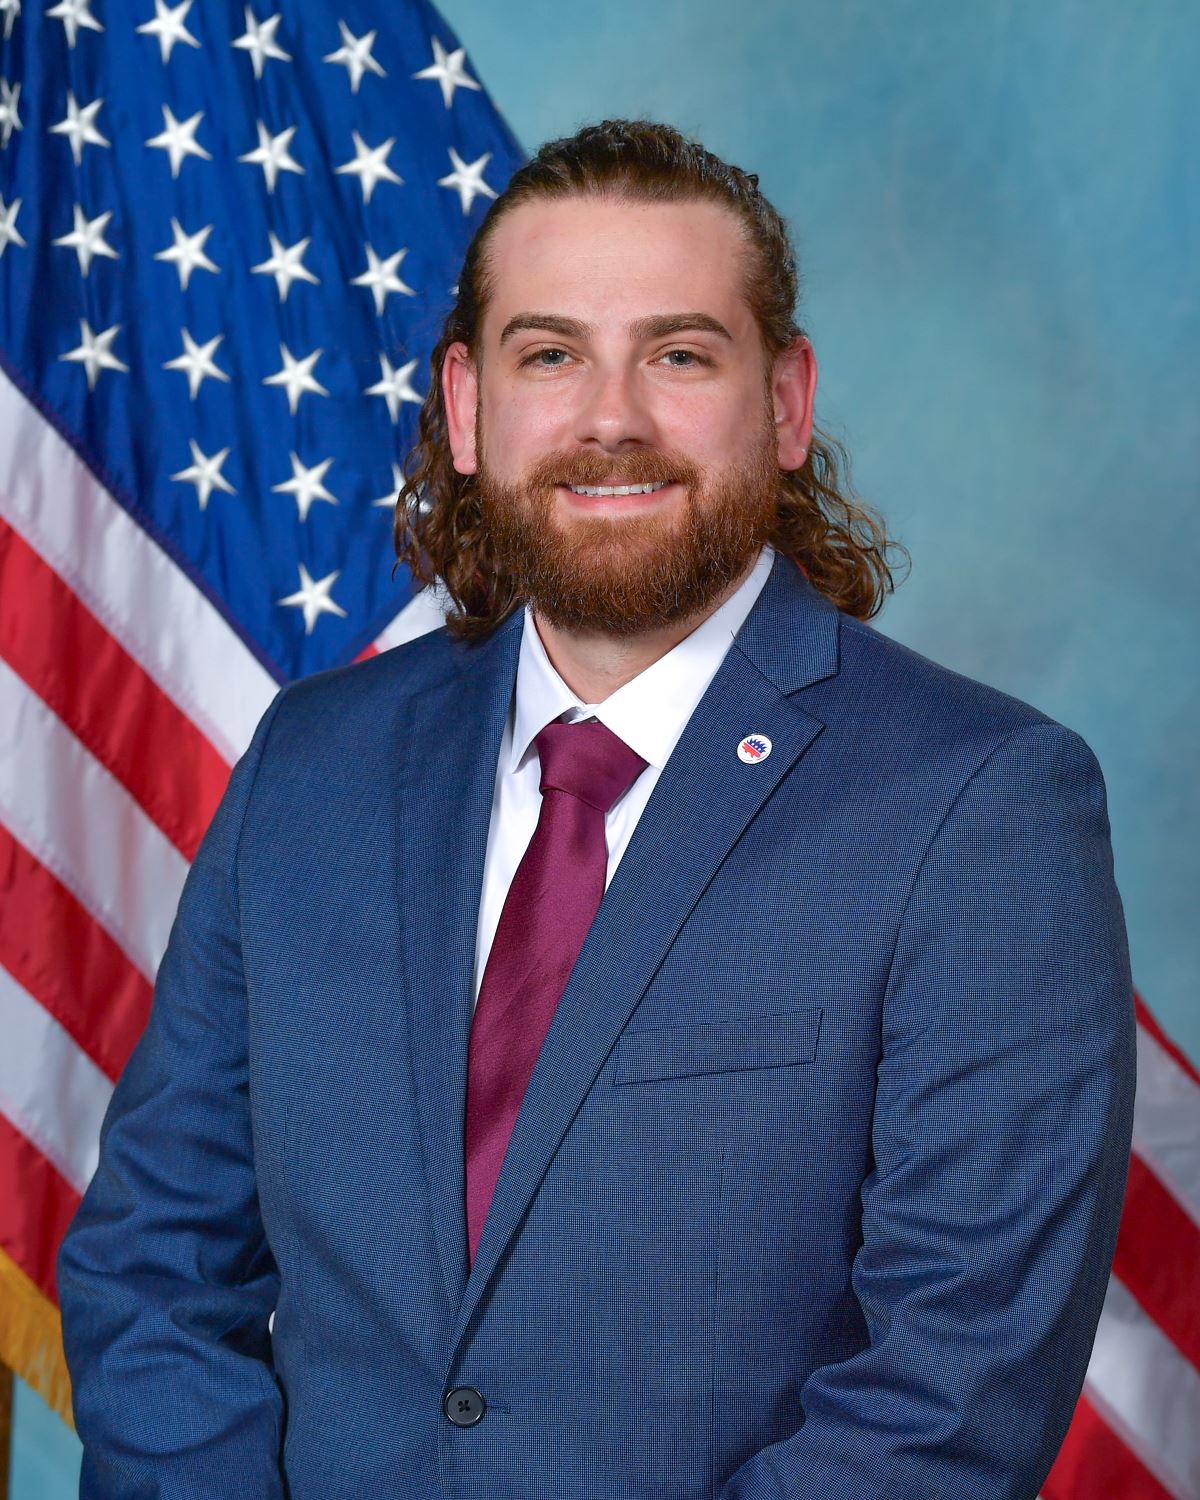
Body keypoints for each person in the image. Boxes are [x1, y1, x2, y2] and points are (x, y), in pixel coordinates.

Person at [58, 119, 1136, 1500]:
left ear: (786, 402)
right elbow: (155, 1270)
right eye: (551, 355)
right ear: (467, 406)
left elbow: (949, 1397)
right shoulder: (309, 767)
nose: (610, 418)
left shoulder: (983, 804)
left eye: (678, 355)